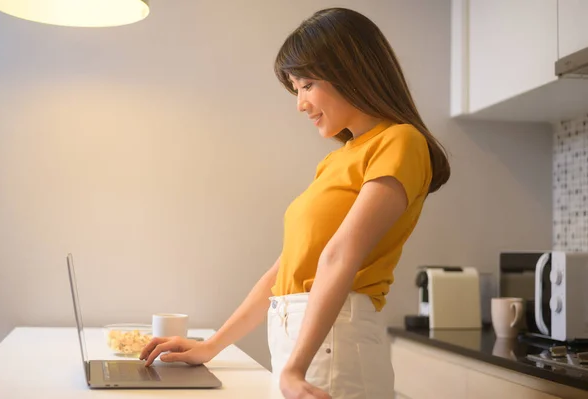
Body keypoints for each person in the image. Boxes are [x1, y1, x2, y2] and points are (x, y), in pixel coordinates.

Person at [140, 7, 450, 399]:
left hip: (333, 343)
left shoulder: (400, 141)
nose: (300, 103)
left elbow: (340, 256)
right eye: (295, 88)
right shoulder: (337, 160)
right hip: (302, 343)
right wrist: (210, 346)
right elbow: (284, 271)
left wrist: (295, 368)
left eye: (306, 85)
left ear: (349, 70)